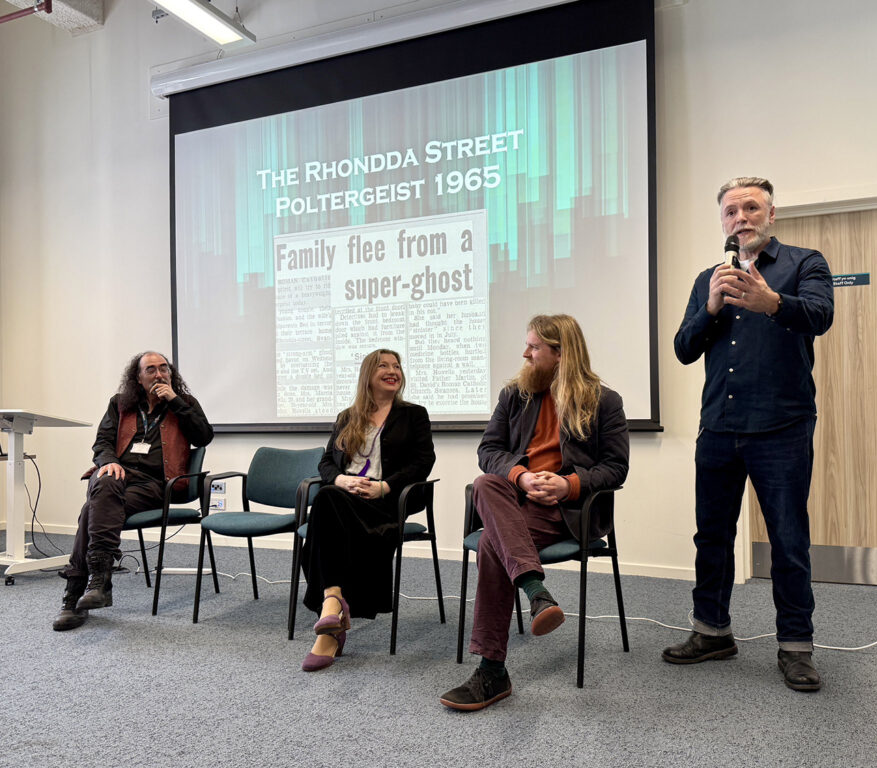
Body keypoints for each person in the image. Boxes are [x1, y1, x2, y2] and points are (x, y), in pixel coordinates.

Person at [664, 176, 834, 691]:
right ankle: (712, 631)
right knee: (711, 536)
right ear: (723, 223)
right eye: (731, 211)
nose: (741, 217)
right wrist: (712, 307)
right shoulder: (707, 278)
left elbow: (821, 317)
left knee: (787, 539)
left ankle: (795, 646)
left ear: (771, 214)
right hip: (718, 426)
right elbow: (683, 348)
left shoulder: (806, 263)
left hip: (781, 426)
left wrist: (772, 302)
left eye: (751, 208)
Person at [440, 314, 629, 711]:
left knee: (493, 542)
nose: (526, 353)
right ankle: (535, 592)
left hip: (568, 511)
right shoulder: (515, 395)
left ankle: (492, 671)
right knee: (487, 483)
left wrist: (567, 484)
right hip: (516, 500)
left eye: (534, 347)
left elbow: (616, 467)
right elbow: (487, 451)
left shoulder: (603, 401)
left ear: (560, 354)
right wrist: (522, 477)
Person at [52, 351, 213, 631]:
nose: (159, 374)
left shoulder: (184, 403)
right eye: (150, 370)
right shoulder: (120, 404)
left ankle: (77, 592)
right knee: (106, 480)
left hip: (154, 484)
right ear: (138, 378)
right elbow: (102, 442)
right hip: (116, 477)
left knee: (91, 510)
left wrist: (175, 402)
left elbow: (203, 437)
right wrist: (110, 461)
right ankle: (97, 581)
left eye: (164, 368)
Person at [300, 349, 435, 672]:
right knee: (329, 497)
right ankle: (333, 602)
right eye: (384, 366)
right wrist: (343, 480)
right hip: (345, 497)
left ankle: (331, 611)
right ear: (367, 376)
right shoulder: (348, 416)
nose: (393, 371)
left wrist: (384, 486)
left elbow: (422, 462)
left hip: (387, 501)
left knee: (324, 504)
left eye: (397, 366)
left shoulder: (414, 414)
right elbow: (326, 462)